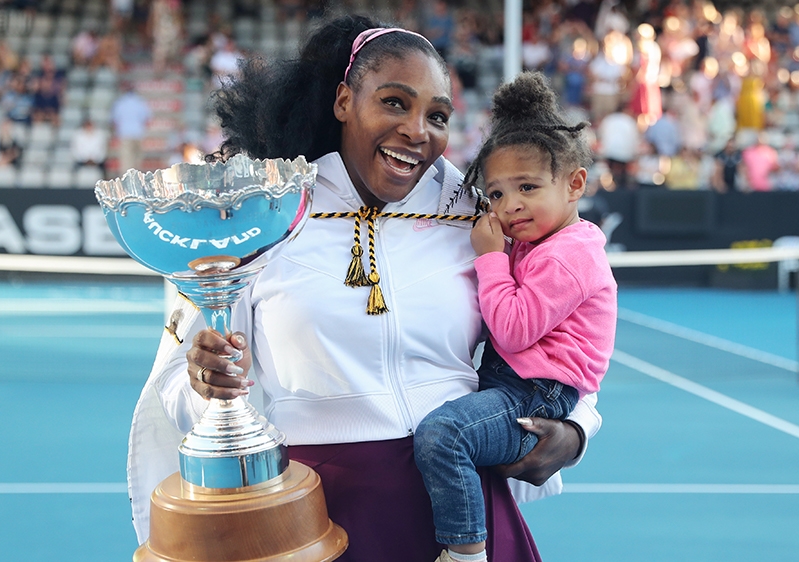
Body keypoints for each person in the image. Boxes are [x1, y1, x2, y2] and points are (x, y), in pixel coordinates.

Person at [128, 15, 602, 562]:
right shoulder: (264, 211)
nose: (417, 131)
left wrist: (576, 428)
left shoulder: (479, 214)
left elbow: (565, 324)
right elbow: (179, 377)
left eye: (438, 115)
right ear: (343, 101)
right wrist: (206, 383)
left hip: (462, 509)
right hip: (316, 512)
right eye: (395, 103)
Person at [413, 72, 616, 562]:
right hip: (519, 382)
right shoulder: (540, 242)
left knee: (445, 434)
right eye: (497, 194)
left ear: (574, 183)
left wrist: (489, 257)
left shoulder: (566, 255)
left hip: (535, 392)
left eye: (527, 186)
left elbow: (512, 327)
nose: (510, 206)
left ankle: (466, 554)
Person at [111, 82, 152, 172]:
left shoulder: (120, 103)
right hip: (138, 133)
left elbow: (115, 121)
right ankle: (138, 182)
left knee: (126, 161)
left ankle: (126, 183)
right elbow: (147, 119)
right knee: (137, 161)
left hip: (125, 134)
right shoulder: (140, 102)